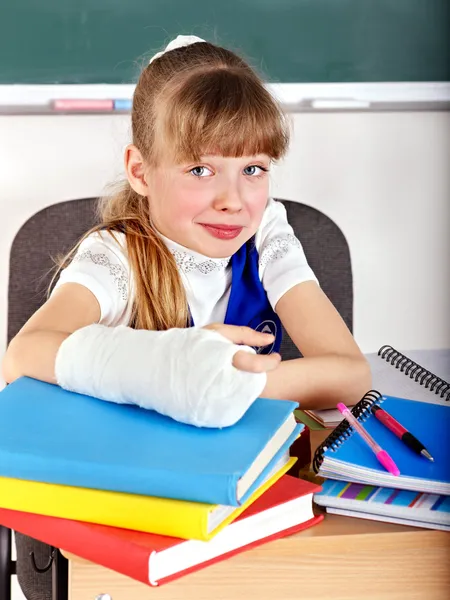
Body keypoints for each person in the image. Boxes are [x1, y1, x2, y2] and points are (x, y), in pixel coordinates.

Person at [2, 35, 370, 600]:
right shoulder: (116, 253)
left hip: (242, 500)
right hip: (137, 499)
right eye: (201, 169)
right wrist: (171, 371)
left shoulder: (268, 231)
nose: (233, 199)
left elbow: (348, 373)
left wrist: (218, 381)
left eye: (253, 167)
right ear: (141, 172)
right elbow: (24, 355)